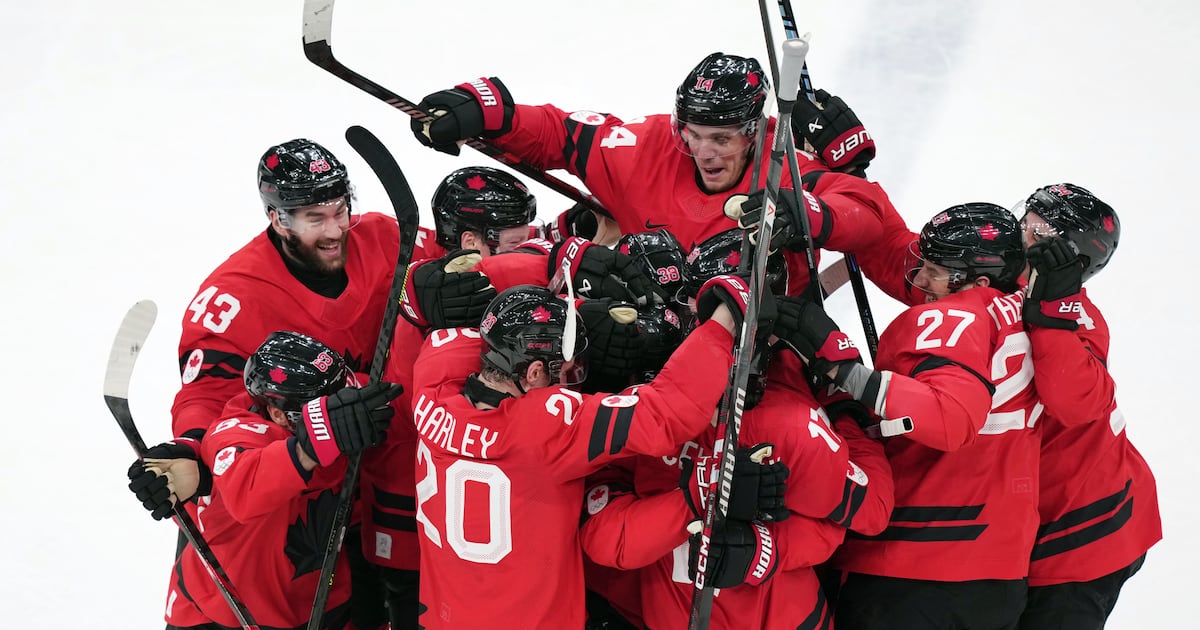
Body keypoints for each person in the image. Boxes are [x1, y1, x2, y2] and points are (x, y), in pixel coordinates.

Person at [125, 137, 407, 629]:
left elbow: (461, 251)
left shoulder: (383, 237)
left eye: (341, 209)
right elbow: (206, 397)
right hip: (279, 502)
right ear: (278, 219)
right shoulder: (233, 298)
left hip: (360, 497)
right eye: (316, 217)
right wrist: (193, 454)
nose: (337, 228)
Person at [579, 230, 893, 629]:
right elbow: (603, 537)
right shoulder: (643, 405)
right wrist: (700, 493)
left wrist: (766, 547)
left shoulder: (790, 419)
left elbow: (859, 516)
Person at [406, 279, 756, 629]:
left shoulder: (432, 385)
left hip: (442, 617)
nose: (571, 381)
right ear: (534, 373)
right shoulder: (546, 428)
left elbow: (474, 337)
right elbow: (668, 415)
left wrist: (573, 317)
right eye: (565, 371)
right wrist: (725, 319)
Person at [407, 52, 895, 296]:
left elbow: (868, 216)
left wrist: (807, 213)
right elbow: (559, 133)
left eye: (720, 138)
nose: (702, 151)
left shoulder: (786, 165)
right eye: (692, 133)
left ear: (754, 131)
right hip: (640, 339)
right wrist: (496, 116)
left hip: (755, 353)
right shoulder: (645, 149)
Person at [772, 203, 1042, 629]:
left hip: (916, 569)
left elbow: (950, 420)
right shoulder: (1030, 304)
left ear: (978, 279)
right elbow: (890, 245)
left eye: (933, 270)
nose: (918, 280)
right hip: (999, 568)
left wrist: (844, 373)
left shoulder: (950, 316)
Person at [361, 165, 543, 629]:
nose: (529, 247)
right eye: (516, 240)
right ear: (469, 244)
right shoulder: (432, 298)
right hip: (410, 502)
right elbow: (408, 414)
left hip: (463, 507)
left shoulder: (450, 285)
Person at [160, 331, 402, 629]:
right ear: (278, 414)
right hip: (225, 615)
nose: (340, 408)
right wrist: (313, 445)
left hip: (323, 605)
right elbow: (246, 491)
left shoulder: (345, 401)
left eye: (342, 394)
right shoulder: (233, 435)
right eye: (323, 408)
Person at [1013, 184, 1161, 629]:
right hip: (1057, 522)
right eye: (1025, 220)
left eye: (1037, 231)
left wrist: (1052, 319)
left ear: (1069, 257)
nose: (1020, 234)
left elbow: (1072, 402)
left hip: (1089, 537)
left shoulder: (1079, 319)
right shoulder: (1014, 289)